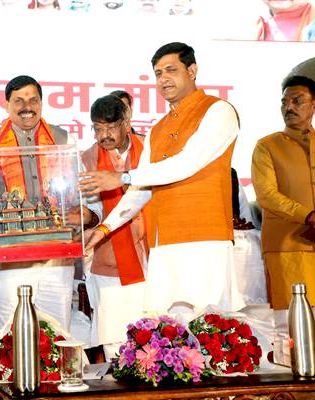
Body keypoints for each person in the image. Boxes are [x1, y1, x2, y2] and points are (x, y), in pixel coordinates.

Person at [80, 42, 245, 321]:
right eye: (158, 73)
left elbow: (187, 163)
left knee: (211, 327)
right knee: (170, 330)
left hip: (205, 239)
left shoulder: (219, 111)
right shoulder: (157, 128)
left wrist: (122, 177)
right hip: (164, 244)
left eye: (171, 70)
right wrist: (105, 229)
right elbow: (140, 191)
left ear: (192, 71)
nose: (163, 79)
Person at [0, 75, 95, 333]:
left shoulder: (63, 140)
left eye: (33, 100)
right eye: (18, 100)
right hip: (10, 260)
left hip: (56, 259)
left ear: (41, 103)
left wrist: (83, 217)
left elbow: (79, 191)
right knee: (10, 335)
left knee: (57, 332)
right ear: (6, 104)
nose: (26, 107)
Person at [251, 75, 315, 363]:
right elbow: (266, 195)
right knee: (289, 320)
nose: (289, 107)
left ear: (313, 105)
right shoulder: (267, 146)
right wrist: (307, 215)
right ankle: (291, 379)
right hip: (286, 244)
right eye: (284, 102)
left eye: (297, 100)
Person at [81, 95, 149, 361]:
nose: (104, 135)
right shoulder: (86, 159)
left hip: (153, 256)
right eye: (98, 128)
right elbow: (91, 209)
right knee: (115, 340)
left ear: (126, 122)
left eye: (110, 127)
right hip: (110, 261)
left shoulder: (150, 150)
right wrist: (85, 216)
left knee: (157, 334)